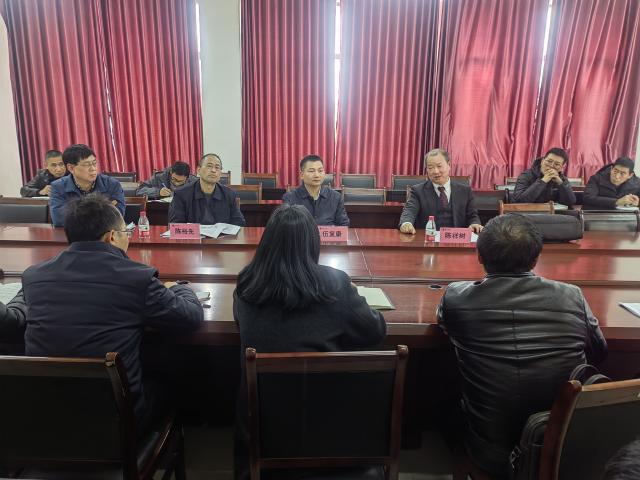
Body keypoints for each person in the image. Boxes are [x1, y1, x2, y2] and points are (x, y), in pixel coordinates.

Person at [437, 214, 607, 479]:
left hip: (489, 450)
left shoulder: (456, 297)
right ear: (535, 259)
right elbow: (599, 352)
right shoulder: (571, 295)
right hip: (558, 445)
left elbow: (445, 325)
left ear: (479, 256)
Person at [22, 195, 204, 433]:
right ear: (111, 237)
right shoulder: (136, 278)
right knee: (171, 375)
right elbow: (190, 317)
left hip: (44, 417)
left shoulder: (34, 276)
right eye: (125, 232)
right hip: (116, 421)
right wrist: (180, 287)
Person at [233, 204, 387, 479]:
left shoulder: (246, 283)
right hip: (333, 433)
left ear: (267, 241)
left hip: (264, 432)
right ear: (313, 242)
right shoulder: (334, 283)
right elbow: (375, 330)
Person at [399, 149, 482, 234]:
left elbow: (472, 216)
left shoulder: (465, 191)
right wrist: (406, 223)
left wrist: (474, 223)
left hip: (456, 239)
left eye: (439, 166)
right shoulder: (417, 191)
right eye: (430, 167)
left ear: (449, 165)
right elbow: (409, 211)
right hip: (428, 239)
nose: (435, 171)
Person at [49, 144, 125, 227]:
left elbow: (117, 216)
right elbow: (59, 220)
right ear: (71, 168)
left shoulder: (111, 184)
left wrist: (76, 215)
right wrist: (101, 211)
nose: (93, 168)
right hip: (74, 234)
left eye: (94, 163)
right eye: (87, 165)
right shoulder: (58, 187)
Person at [169, 153, 245, 225]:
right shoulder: (182, 194)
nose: (213, 170)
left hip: (221, 234)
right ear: (198, 170)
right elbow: (176, 225)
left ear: (220, 173)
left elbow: (239, 222)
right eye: (209, 166)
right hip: (194, 235)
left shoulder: (229, 194)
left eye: (217, 167)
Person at [282, 154, 349, 226]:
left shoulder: (336, 197)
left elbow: (343, 225)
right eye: (311, 171)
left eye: (320, 171)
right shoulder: (290, 197)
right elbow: (285, 226)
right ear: (301, 175)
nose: (317, 175)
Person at [512, 147, 576, 206]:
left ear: (562, 168)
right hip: (528, 212)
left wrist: (560, 183)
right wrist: (543, 181)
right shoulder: (526, 175)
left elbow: (570, 202)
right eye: (549, 161)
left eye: (557, 164)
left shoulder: (561, 179)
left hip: (553, 213)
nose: (551, 165)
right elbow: (519, 201)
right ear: (542, 161)